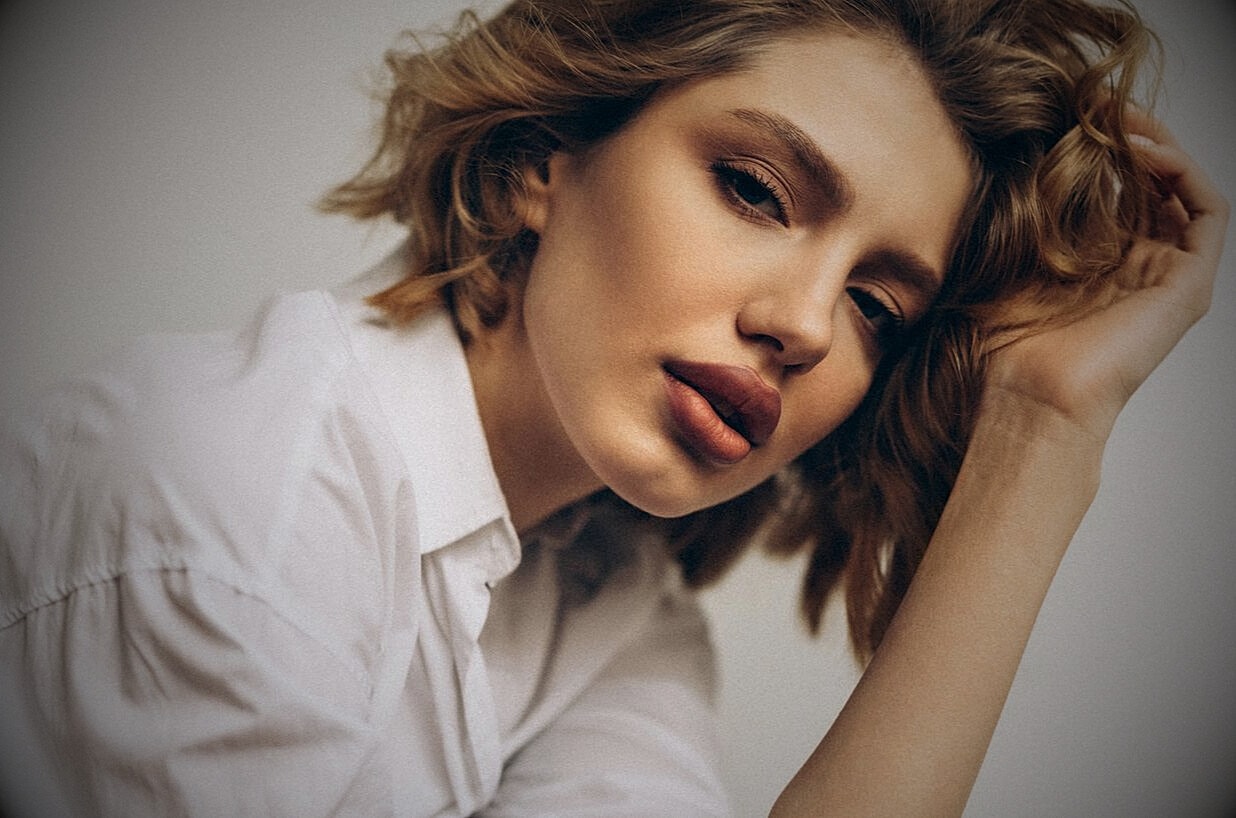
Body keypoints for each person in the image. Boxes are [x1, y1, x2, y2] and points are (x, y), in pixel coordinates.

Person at [0, 0, 1226, 815]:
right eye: (753, 187)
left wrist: (1048, 427)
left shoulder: (609, 601)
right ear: (548, 154)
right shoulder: (237, 517)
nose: (803, 322)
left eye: (877, 307)